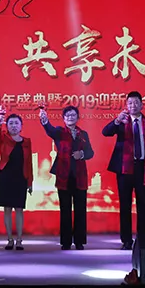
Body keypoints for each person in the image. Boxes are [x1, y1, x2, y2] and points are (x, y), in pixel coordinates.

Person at [102, 91, 145, 250]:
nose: (133, 105)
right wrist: (116, 121)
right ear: (126, 105)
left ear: (141, 105)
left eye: (136, 103)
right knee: (125, 205)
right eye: (130, 103)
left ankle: (144, 240)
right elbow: (105, 132)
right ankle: (126, 240)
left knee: (143, 205)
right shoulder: (122, 122)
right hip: (124, 169)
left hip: (143, 168)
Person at [40, 106, 94, 250]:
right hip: (64, 175)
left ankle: (79, 241)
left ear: (78, 117)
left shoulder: (83, 134)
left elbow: (90, 152)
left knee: (80, 209)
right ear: (64, 119)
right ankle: (66, 241)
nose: (70, 117)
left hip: (80, 176)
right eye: (67, 115)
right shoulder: (59, 132)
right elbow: (50, 130)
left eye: (73, 115)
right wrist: (45, 121)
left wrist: (82, 154)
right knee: (65, 209)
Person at [0, 107, 34, 250]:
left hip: (20, 178)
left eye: (16, 123)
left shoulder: (27, 142)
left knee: (19, 209)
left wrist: (30, 182)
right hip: (5, 177)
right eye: (10, 123)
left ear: (21, 126)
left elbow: (29, 163)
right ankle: (10, 239)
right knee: (7, 208)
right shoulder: (4, 139)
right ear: (7, 126)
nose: (13, 126)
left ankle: (19, 240)